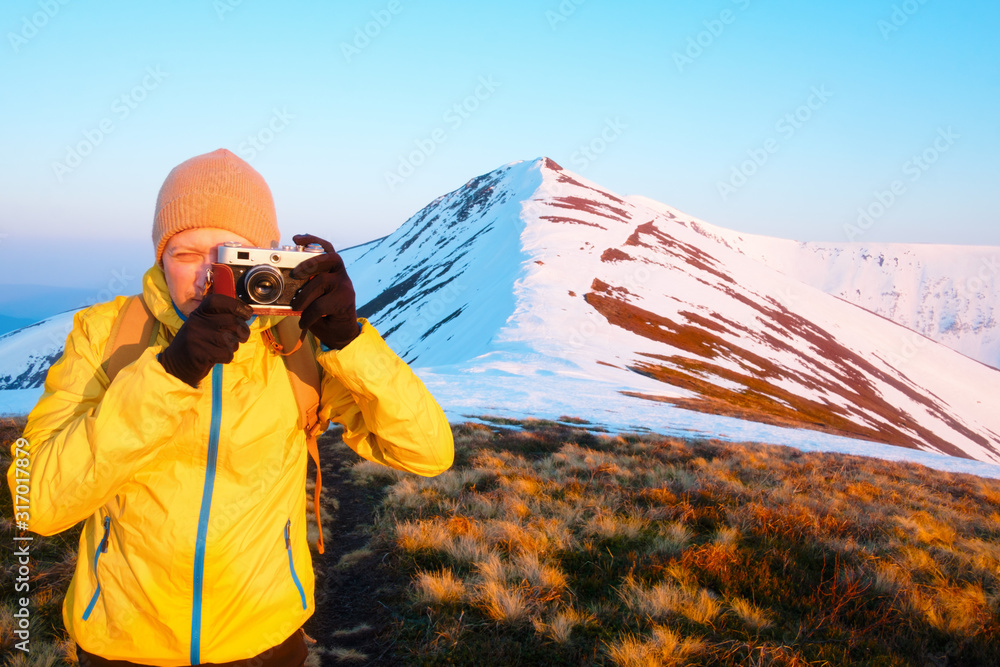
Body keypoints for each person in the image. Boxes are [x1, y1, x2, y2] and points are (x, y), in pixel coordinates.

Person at [7, 148, 454, 666]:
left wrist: (349, 342)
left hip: (263, 637)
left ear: (270, 256)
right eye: (186, 254)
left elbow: (427, 452)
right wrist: (167, 375)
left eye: (232, 255)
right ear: (159, 259)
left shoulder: (297, 347)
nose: (208, 278)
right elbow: (32, 504)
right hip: (124, 639)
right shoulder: (106, 336)